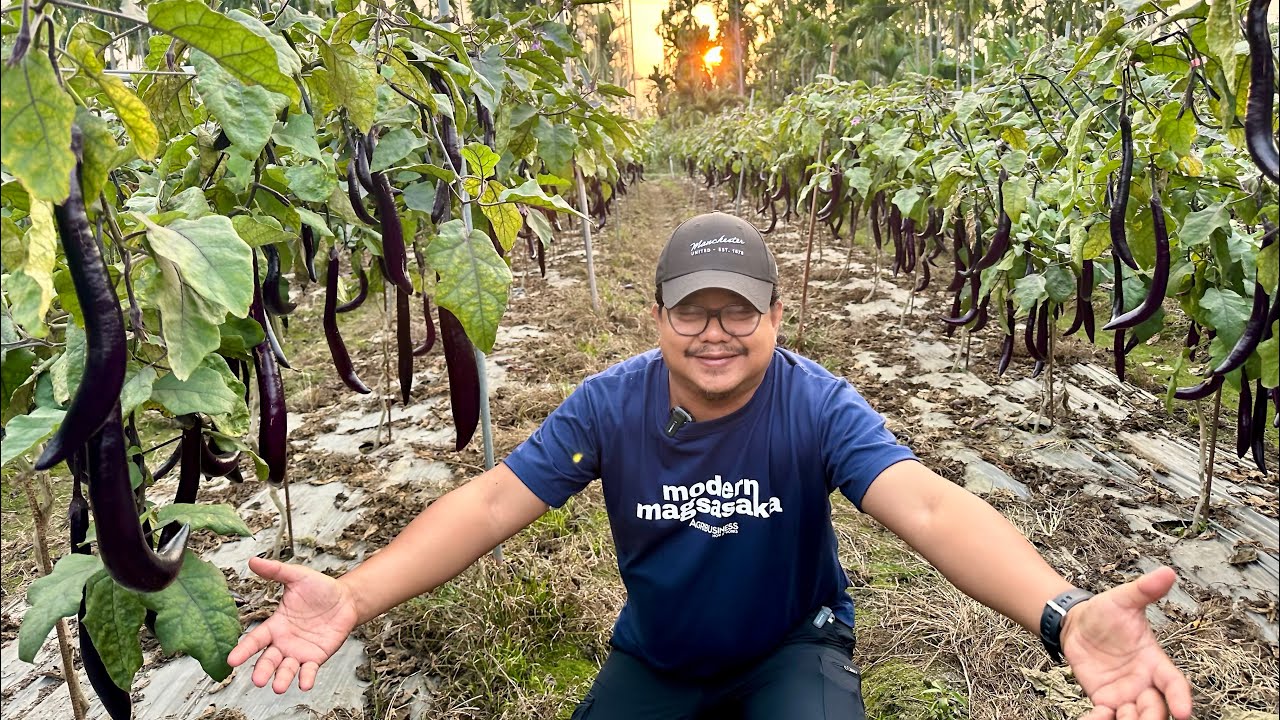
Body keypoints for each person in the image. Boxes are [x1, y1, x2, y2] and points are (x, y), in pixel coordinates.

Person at [229, 212, 1194, 719]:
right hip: (659, 657)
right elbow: (488, 505)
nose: (715, 332)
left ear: (778, 315)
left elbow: (932, 509)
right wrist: (353, 595)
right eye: (692, 309)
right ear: (656, 316)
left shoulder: (816, 403)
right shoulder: (609, 405)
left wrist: (1063, 613)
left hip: (794, 650)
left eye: (740, 310)